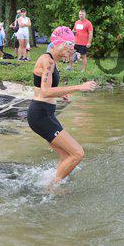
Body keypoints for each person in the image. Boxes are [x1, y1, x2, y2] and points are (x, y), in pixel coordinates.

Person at [28, 26, 97, 190]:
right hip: (40, 115)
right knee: (78, 153)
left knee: (67, 155)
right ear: (58, 44)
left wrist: (60, 94)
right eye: (69, 46)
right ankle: (51, 188)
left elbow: (42, 88)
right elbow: (45, 92)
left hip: (44, 113)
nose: (71, 50)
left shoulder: (50, 60)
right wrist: (78, 87)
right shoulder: (48, 61)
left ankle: (52, 183)